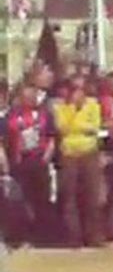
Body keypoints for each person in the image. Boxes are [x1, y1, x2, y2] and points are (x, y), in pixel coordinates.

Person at [53, 78, 104, 247]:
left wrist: (77, 126)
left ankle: (93, 235)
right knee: (70, 195)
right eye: (75, 89)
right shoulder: (61, 108)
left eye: (81, 89)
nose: (78, 93)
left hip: (89, 152)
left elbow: (95, 127)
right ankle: (73, 236)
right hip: (69, 154)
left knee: (91, 195)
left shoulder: (93, 105)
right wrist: (75, 112)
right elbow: (62, 128)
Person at [6, 83, 57, 246]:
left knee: (42, 200)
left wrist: (46, 157)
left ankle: (43, 237)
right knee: (20, 201)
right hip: (20, 161)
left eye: (32, 97)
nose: (29, 100)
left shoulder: (44, 115)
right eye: (26, 97)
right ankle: (21, 236)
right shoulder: (11, 116)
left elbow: (52, 137)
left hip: (39, 160)